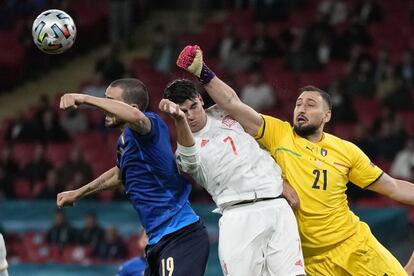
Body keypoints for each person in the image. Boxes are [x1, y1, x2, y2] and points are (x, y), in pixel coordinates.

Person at [177, 45, 414, 275]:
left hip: (354, 246)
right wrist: (203, 72)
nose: (301, 108)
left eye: (311, 105)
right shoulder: (279, 134)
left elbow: (391, 186)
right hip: (310, 261)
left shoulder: (346, 151)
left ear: (326, 115)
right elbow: (233, 105)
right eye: (298, 103)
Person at [56, 78, 209, 276]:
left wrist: (84, 98)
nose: (105, 106)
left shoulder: (150, 125)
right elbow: (119, 174)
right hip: (157, 242)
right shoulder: (124, 142)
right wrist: (78, 193)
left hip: (181, 235)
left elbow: (137, 117)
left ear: (132, 107)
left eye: (111, 101)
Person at [160, 79, 304, 275]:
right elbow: (191, 161)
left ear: (201, 99)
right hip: (237, 214)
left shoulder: (223, 111)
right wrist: (178, 119)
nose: (191, 115)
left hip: (276, 204)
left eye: (193, 106)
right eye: (183, 112)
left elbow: (232, 100)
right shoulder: (184, 150)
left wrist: (281, 180)